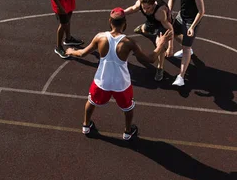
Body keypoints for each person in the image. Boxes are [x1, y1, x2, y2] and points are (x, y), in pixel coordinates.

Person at [65, 8, 172, 140]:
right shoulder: (129, 43)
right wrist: (161, 45)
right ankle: (127, 132)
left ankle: (86, 126)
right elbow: (150, 59)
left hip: (102, 80)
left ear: (110, 21)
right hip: (121, 83)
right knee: (128, 108)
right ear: (124, 24)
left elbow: (82, 53)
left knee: (91, 101)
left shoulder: (100, 37)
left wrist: (71, 50)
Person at [168, 0, 205, 87]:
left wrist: (192, 27)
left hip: (191, 20)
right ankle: (187, 47)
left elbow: (201, 11)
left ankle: (181, 76)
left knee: (186, 48)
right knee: (174, 33)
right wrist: (169, 12)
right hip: (181, 16)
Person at [124, 0, 174, 81]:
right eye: (144, 8)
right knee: (145, 29)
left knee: (160, 45)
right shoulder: (141, 3)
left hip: (162, 24)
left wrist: (170, 46)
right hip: (152, 20)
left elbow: (170, 28)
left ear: (153, 4)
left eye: (148, 8)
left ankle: (160, 67)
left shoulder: (160, 12)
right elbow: (132, 9)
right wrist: (122, 12)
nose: (146, 10)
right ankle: (143, 29)